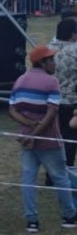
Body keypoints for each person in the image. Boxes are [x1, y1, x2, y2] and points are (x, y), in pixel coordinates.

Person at [9, 46, 77, 232]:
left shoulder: (20, 80)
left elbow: (13, 110)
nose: (55, 63)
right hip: (49, 141)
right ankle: (69, 217)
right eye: (51, 60)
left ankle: (32, 221)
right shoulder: (51, 82)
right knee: (61, 178)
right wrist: (36, 131)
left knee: (28, 180)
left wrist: (29, 128)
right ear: (43, 62)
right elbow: (52, 112)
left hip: (26, 141)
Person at [51, 18, 77, 166]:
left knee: (52, 138)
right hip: (71, 101)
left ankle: (51, 172)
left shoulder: (49, 49)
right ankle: (66, 170)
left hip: (52, 101)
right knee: (70, 138)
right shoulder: (74, 51)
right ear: (73, 34)